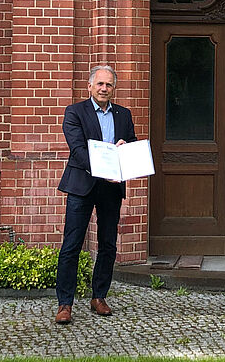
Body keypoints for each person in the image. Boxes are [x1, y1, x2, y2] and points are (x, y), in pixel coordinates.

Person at [54, 65, 137, 324]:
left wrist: (125, 149)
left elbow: (132, 144)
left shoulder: (124, 114)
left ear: (114, 88)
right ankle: (64, 304)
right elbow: (78, 149)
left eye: (109, 85)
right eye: (99, 84)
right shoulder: (75, 112)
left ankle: (99, 296)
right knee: (72, 246)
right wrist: (103, 167)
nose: (104, 88)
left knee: (108, 245)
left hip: (111, 188)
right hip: (82, 185)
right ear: (90, 86)